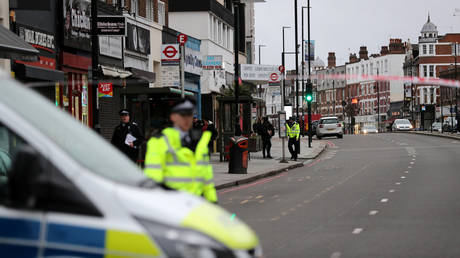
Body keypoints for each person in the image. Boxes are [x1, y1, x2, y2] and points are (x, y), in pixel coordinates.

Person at [143, 99, 217, 203]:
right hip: (172, 203)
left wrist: (212, 200)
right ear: (173, 117)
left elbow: (207, 176)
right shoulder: (159, 141)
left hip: (196, 204)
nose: (187, 119)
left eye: (190, 115)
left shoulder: (200, 141)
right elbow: (153, 176)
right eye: (183, 115)